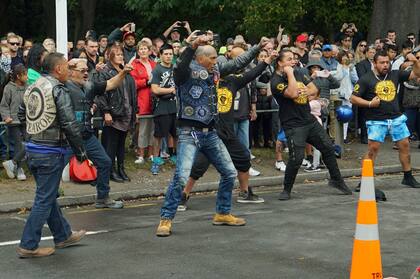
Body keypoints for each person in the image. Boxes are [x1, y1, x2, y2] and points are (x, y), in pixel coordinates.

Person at [156, 33, 270, 237]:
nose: (216, 61)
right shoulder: (184, 72)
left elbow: (238, 63)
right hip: (188, 133)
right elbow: (180, 65)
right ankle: (166, 219)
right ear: (201, 58)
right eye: (213, 57)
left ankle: (222, 213)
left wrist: (257, 48)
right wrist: (192, 45)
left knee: (229, 172)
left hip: (211, 132)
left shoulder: (215, 70)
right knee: (181, 177)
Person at [177, 45, 277, 210]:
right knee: (199, 166)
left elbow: (252, 74)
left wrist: (267, 61)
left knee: (244, 158)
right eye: (215, 63)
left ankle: (244, 192)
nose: (216, 66)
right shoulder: (203, 81)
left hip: (227, 132)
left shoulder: (232, 81)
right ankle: (184, 194)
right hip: (209, 131)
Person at [16, 52, 87, 258]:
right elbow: (69, 123)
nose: (68, 70)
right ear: (58, 69)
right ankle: (28, 245)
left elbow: (22, 113)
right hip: (50, 151)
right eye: (66, 66)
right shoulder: (58, 89)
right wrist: (81, 151)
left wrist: (30, 136)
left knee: (48, 195)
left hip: (33, 149)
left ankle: (63, 234)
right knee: (44, 199)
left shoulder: (33, 86)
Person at [271, 49, 352, 200]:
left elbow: (314, 89)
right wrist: (290, 75)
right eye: (289, 59)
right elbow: (293, 93)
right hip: (293, 124)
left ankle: (336, 180)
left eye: (294, 58)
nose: (293, 61)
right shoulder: (276, 80)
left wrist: (299, 88)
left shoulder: (299, 73)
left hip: (309, 119)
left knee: (327, 147)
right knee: (296, 158)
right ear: (280, 63)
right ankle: (286, 189)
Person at [66, 57, 133, 208]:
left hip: (87, 135)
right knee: (55, 169)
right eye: (81, 71)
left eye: (86, 70)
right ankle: (47, 199)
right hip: (68, 138)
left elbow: (111, 83)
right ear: (70, 72)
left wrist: (123, 72)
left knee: (105, 162)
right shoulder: (62, 87)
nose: (85, 74)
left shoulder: (89, 86)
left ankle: (103, 198)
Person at [350, 50, 420, 189]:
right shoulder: (366, 79)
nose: (385, 65)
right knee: (373, 149)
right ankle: (365, 181)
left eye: (387, 62)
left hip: (396, 118)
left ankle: (408, 177)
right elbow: (353, 98)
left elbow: (416, 74)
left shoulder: (395, 74)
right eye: (382, 63)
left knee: (405, 145)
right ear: (375, 64)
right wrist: (369, 103)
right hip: (376, 120)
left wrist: (416, 62)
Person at [96, 44, 137, 183]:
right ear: (110, 56)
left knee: (121, 144)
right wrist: (106, 112)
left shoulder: (126, 70)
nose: (120, 56)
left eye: (121, 54)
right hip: (113, 113)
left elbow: (131, 93)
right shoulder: (105, 71)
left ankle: (121, 168)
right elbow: (101, 94)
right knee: (111, 144)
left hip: (126, 111)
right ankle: (110, 171)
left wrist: (134, 112)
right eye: (117, 54)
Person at [150, 44, 177, 175]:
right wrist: (171, 90)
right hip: (162, 106)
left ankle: (174, 156)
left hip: (175, 106)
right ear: (160, 55)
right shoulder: (157, 70)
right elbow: (154, 89)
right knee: (159, 135)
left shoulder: (175, 68)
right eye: (165, 54)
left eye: (170, 54)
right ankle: (156, 160)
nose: (168, 56)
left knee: (175, 134)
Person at [130, 40, 157, 165]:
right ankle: (141, 154)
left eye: (145, 49)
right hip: (142, 99)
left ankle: (151, 154)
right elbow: (132, 83)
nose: (143, 51)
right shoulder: (134, 64)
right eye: (140, 49)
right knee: (143, 129)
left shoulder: (154, 64)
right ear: (138, 51)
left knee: (153, 129)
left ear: (150, 51)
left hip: (154, 98)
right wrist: (146, 82)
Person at [0, 64, 28, 180]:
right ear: (18, 76)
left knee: (29, 143)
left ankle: (13, 163)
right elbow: (4, 105)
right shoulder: (9, 88)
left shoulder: (28, 87)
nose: (27, 77)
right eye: (25, 74)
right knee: (18, 144)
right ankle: (19, 169)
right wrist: (6, 117)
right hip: (14, 122)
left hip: (26, 121)